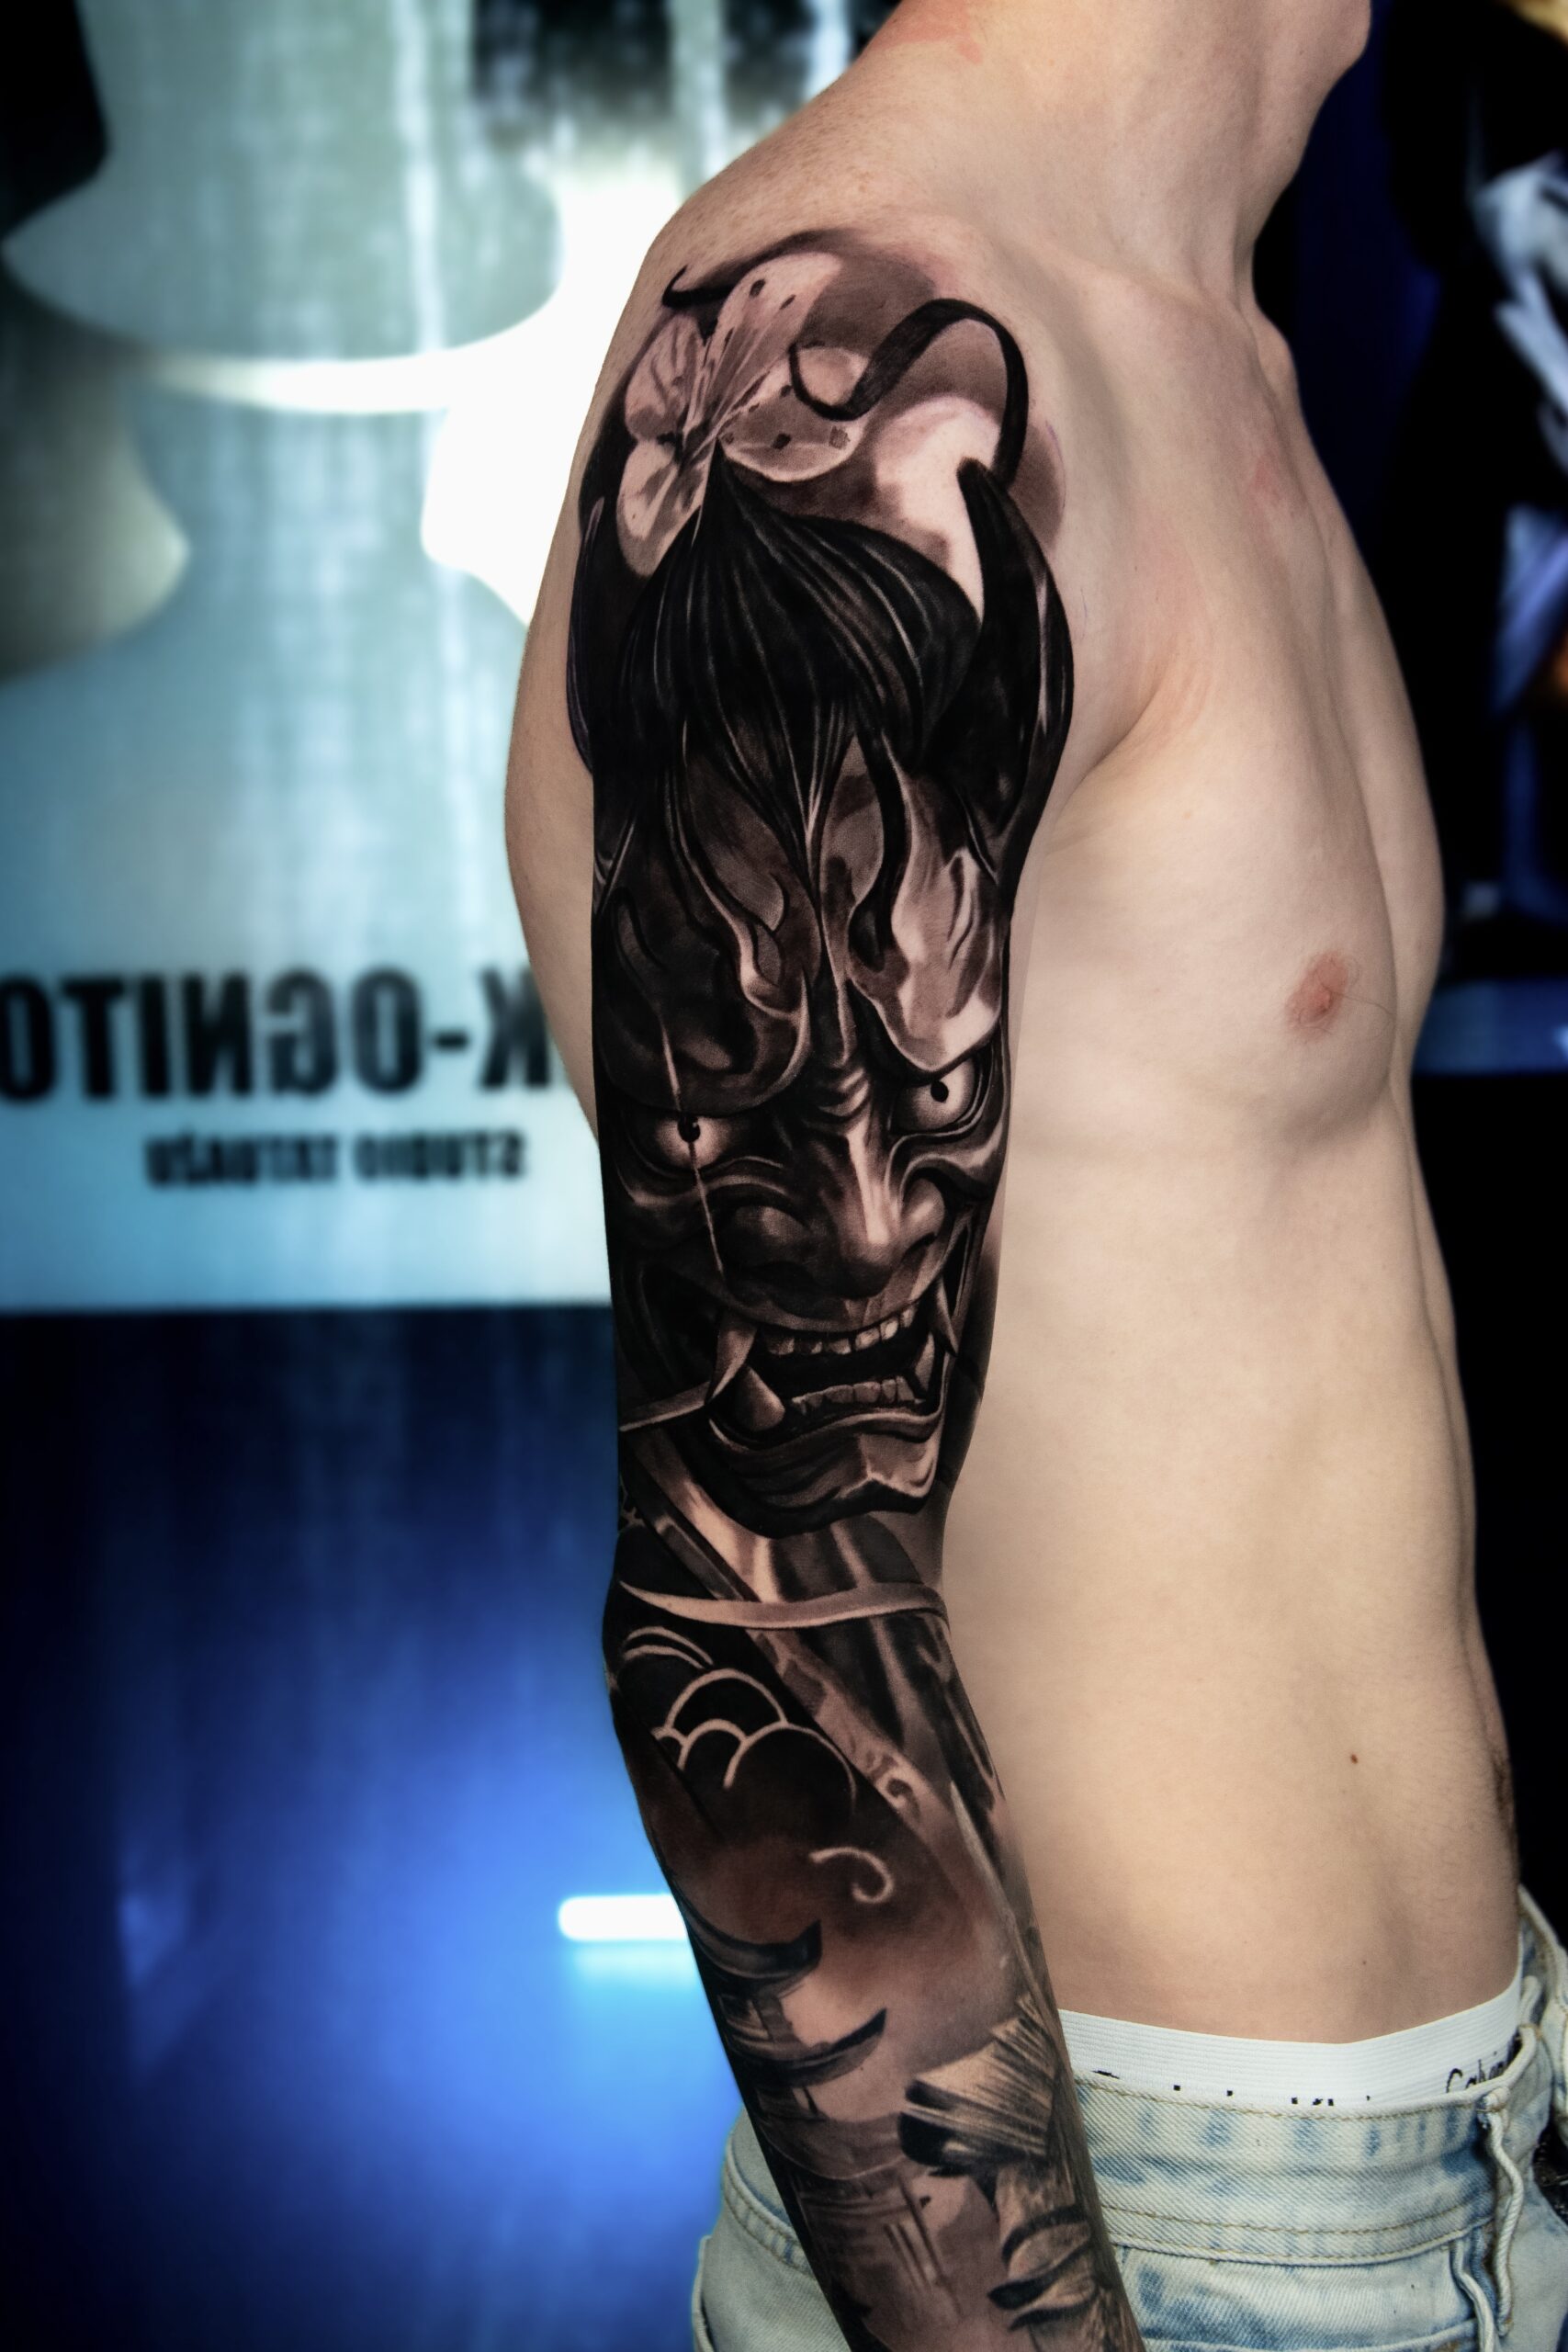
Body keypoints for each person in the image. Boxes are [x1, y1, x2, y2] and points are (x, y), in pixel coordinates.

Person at [506, 2, 1568, 2343]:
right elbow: (754, 1632)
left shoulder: (1186, 326)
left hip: (1442, 2154)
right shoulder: (859, 359)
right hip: (1129, 2235)